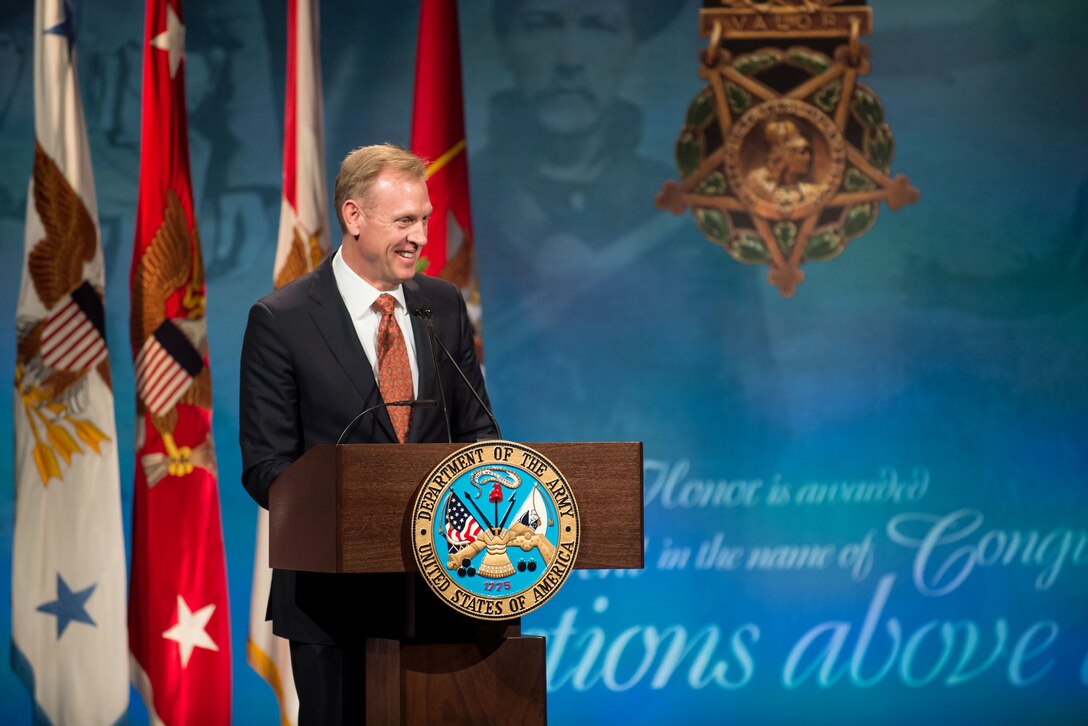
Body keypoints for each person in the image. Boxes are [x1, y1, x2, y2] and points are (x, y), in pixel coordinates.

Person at [239, 144, 497, 723]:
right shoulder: (282, 320)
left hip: (446, 591)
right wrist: (361, 507)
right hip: (334, 603)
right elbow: (266, 466)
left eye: (425, 219)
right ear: (354, 217)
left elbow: (477, 432)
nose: (421, 237)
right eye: (404, 221)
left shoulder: (443, 304)